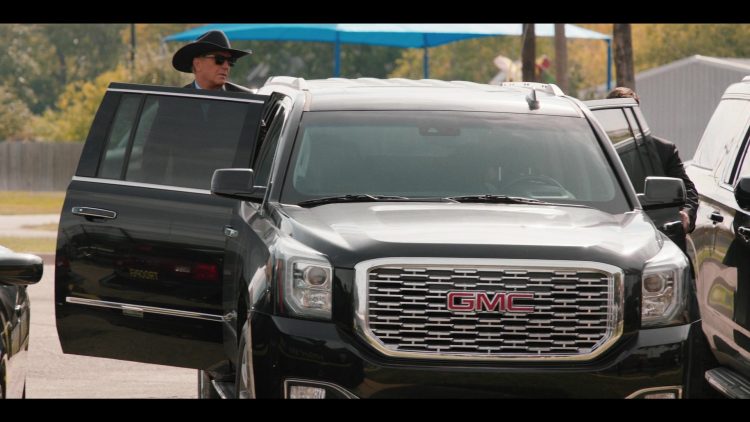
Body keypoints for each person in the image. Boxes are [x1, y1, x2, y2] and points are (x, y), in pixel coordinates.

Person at [607, 87, 699, 235]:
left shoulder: (663, 150)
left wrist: (686, 214)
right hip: (607, 227)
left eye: (628, 115)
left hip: (655, 229)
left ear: (638, 115)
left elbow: (687, 190)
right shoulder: (594, 152)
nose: (623, 122)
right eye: (616, 116)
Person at [172, 30, 251, 91]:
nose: (226, 66)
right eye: (219, 59)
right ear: (197, 64)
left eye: (230, 61)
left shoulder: (245, 99)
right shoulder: (176, 101)